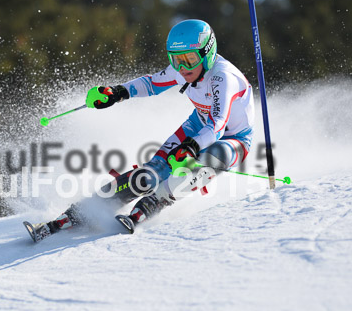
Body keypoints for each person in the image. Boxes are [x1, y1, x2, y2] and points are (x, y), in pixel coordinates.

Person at [24, 19, 255, 242]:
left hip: (233, 138)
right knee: (148, 175)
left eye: (190, 59)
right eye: (176, 60)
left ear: (208, 53)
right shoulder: (183, 70)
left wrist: (192, 146)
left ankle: (154, 203)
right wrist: (117, 93)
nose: (183, 67)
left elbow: (217, 125)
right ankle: (80, 213)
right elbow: (151, 83)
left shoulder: (222, 77)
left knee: (205, 162)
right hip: (196, 125)